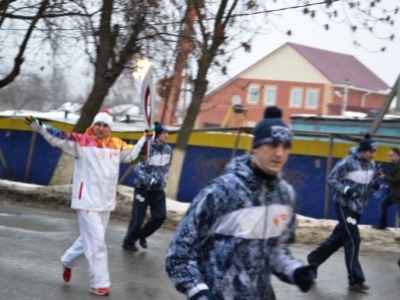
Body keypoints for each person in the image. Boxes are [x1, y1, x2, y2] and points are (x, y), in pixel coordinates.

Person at [165, 106, 315, 300]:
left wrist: (294, 270)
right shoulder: (222, 192)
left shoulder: (285, 196)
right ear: (256, 147)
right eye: (273, 145)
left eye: (285, 147)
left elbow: (275, 249)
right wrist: (198, 292)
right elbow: (179, 253)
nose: (279, 153)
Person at [24, 110, 148, 296]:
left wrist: (147, 138)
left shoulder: (116, 145)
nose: (100, 128)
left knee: (87, 240)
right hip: (86, 201)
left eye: (105, 125)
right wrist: (38, 126)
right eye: (98, 124)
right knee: (97, 242)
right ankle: (99, 283)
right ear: (93, 125)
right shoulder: (81, 142)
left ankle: (67, 261)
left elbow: (135, 157)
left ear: (110, 128)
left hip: (106, 202)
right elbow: (57, 138)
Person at [307, 133, 381, 293]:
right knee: (353, 240)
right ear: (363, 151)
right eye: (371, 151)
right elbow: (331, 180)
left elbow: (365, 185)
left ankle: (313, 260)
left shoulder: (372, 165)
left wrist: (374, 186)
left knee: (340, 239)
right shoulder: (347, 162)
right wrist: (346, 190)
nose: (373, 154)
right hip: (344, 205)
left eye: (375, 151)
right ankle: (355, 280)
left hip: (358, 208)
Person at [123, 121, 172, 251]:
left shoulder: (168, 149)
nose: (166, 135)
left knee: (160, 216)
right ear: (156, 134)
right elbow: (138, 168)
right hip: (143, 189)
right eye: (163, 133)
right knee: (138, 218)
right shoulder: (147, 148)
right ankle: (129, 242)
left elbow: (166, 168)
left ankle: (142, 235)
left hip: (158, 190)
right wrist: (150, 181)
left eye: (167, 133)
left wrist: (162, 181)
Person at [371, 148, 400, 230]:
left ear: (397, 155)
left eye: (391, 155)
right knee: (383, 204)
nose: (389, 157)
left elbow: (397, 180)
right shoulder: (395, 165)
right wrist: (385, 175)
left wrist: (384, 176)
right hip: (394, 193)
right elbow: (393, 178)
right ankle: (382, 225)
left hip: (397, 194)